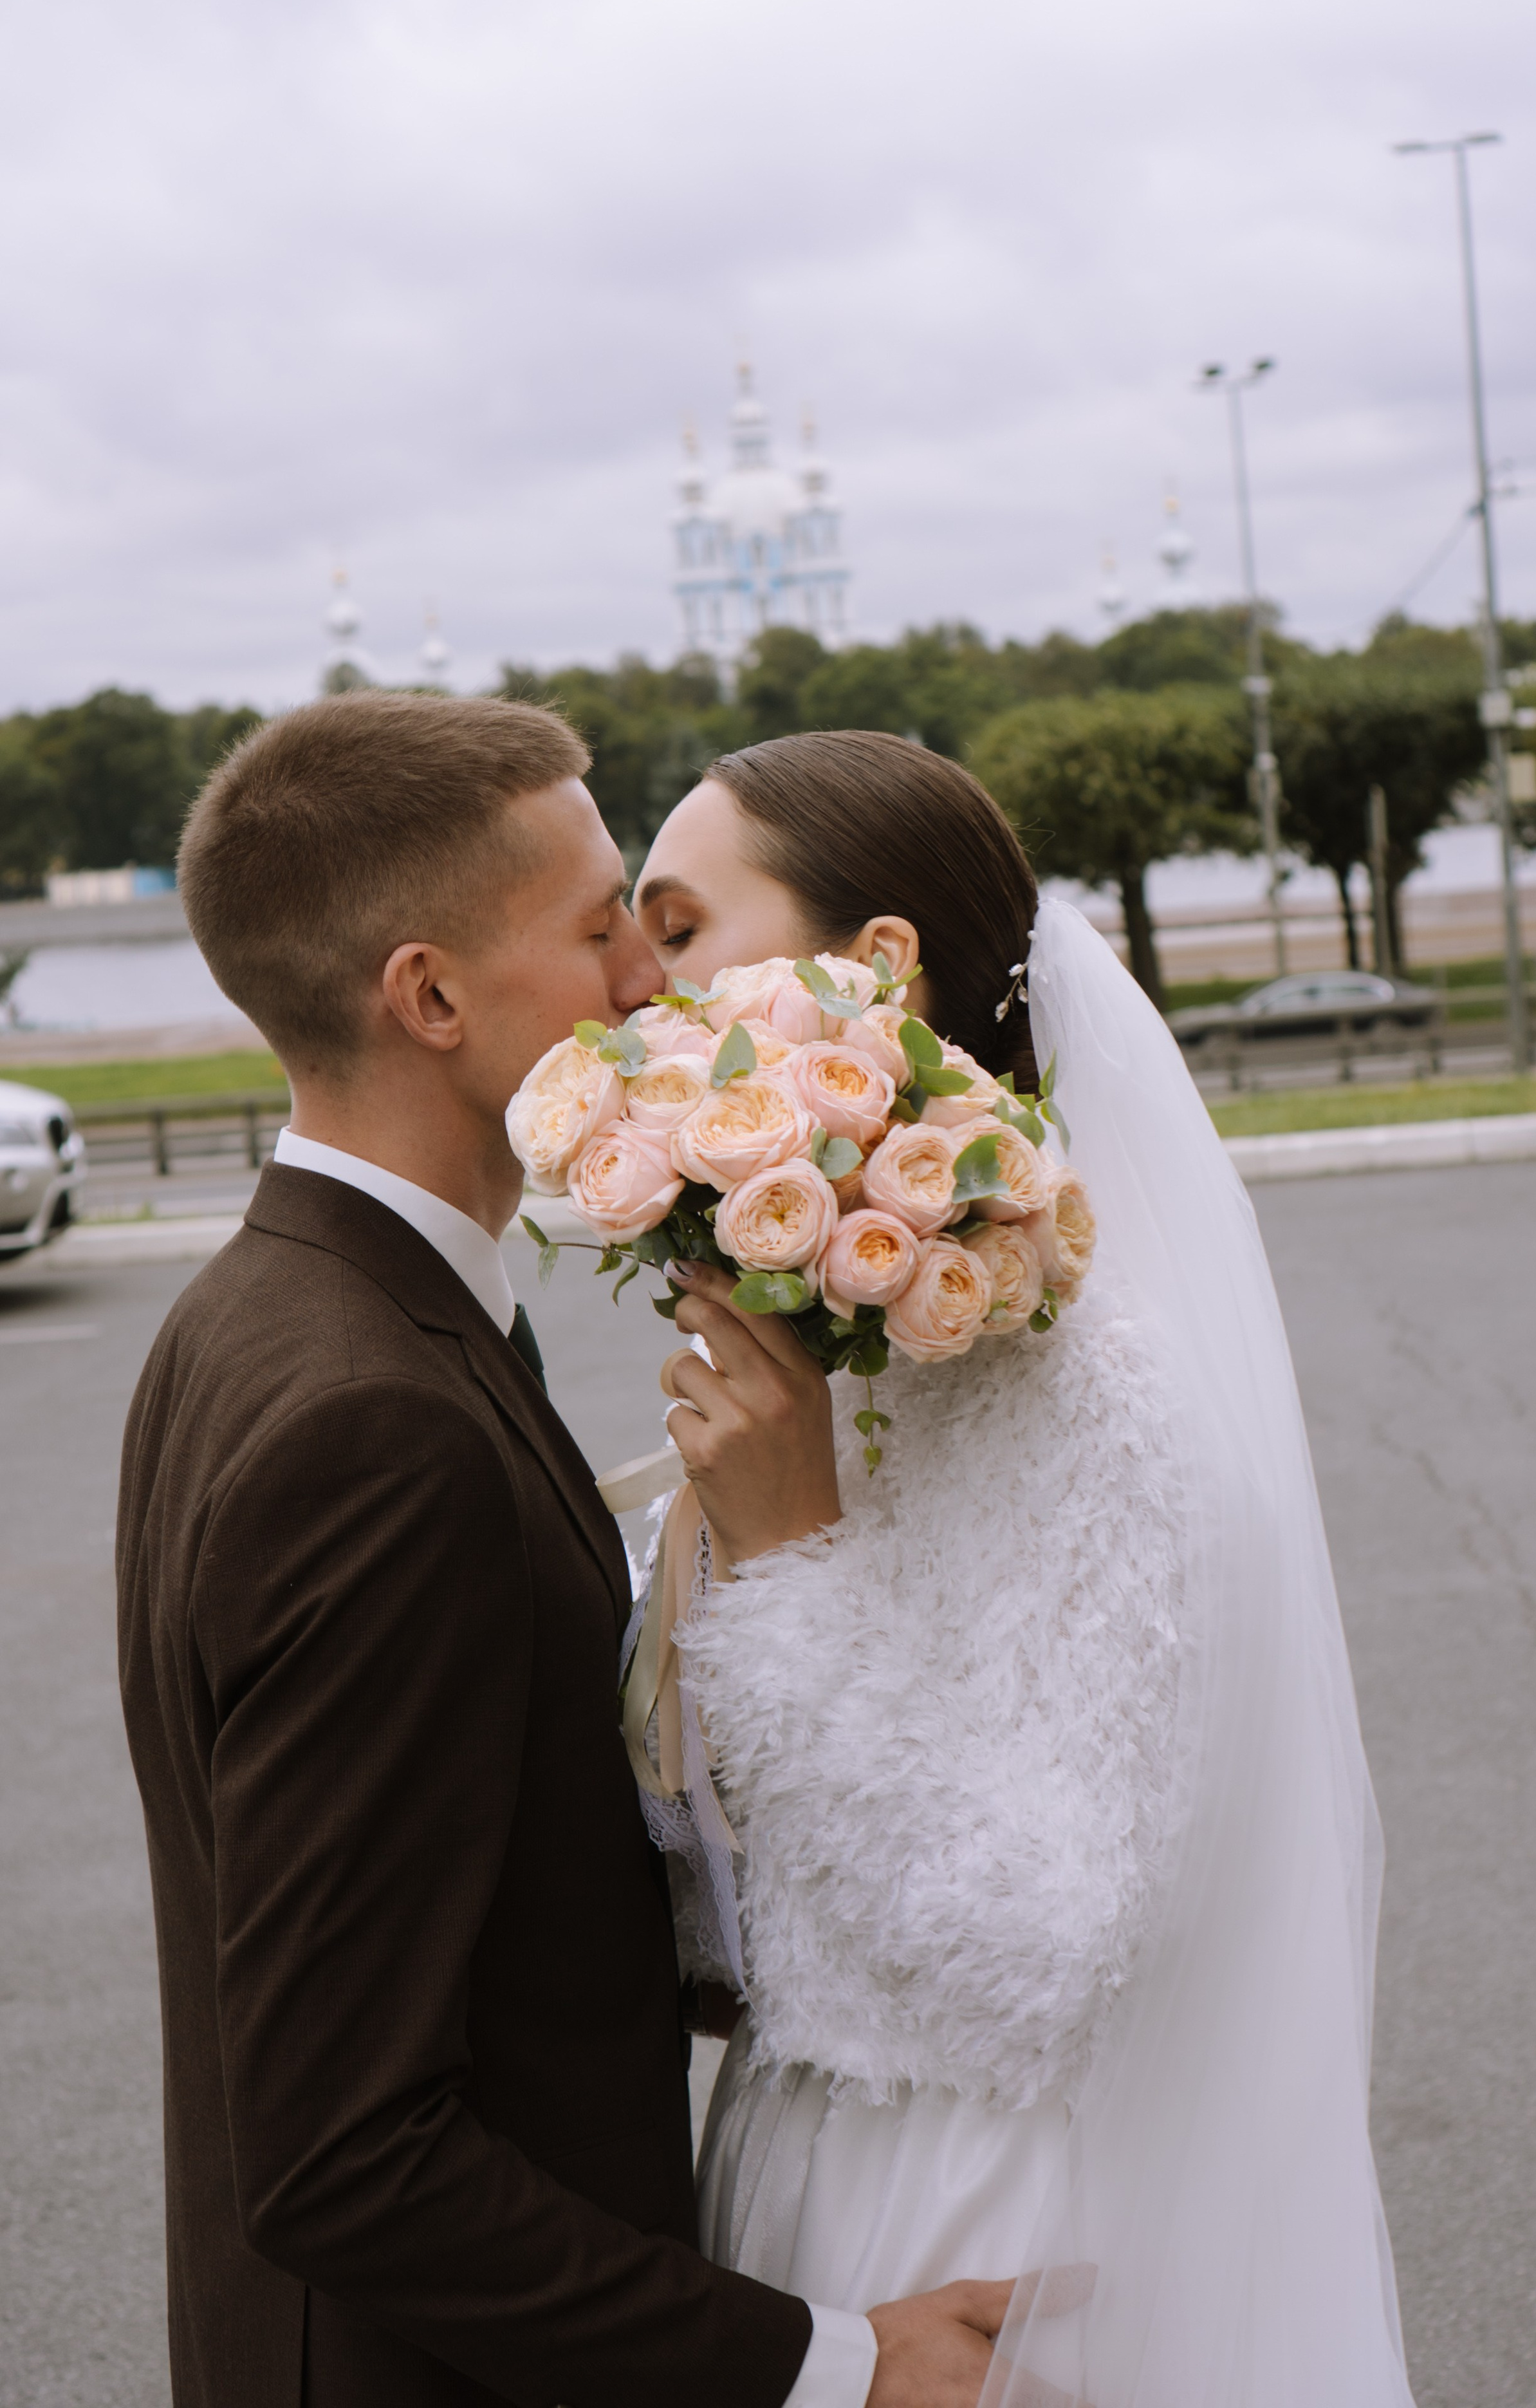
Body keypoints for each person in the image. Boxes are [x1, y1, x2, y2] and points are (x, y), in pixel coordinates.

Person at [115, 693, 1015, 2408]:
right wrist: (835, 2365)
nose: (646, 982)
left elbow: (480, 1880)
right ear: (431, 995)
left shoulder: (260, 1316)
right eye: (601, 923)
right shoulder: (369, 1426)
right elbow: (342, 2153)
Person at [632, 729, 1418, 2408]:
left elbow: (1028, 1948)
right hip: (799, 2173)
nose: (639, 987)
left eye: (683, 930)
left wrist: (787, 1547)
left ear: (876, 971)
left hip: (973, 2231)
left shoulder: (1103, 1396)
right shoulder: (870, 1347)